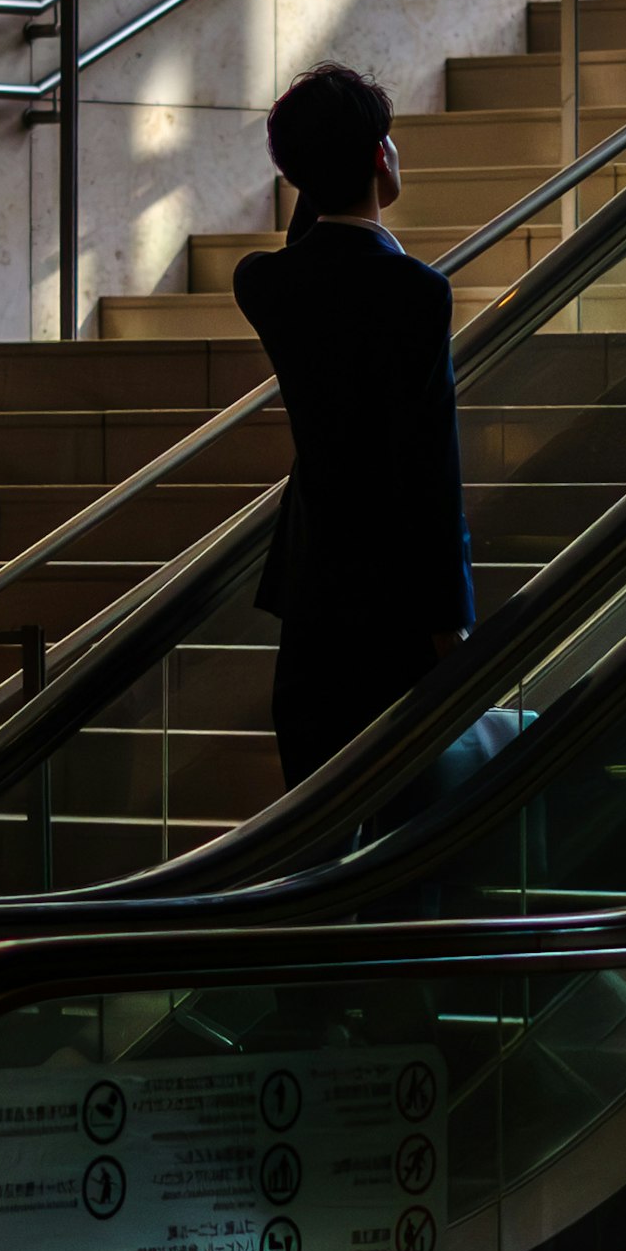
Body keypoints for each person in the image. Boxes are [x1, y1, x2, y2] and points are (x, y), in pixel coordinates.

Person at [230, 64, 476, 786]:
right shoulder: (417, 294)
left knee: (313, 820)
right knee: (407, 820)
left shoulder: (265, 284)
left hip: (312, 599)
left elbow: (308, 247)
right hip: (397, 612)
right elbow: (430, 465)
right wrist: (448, 620)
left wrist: (326, 172)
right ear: (379, 156)